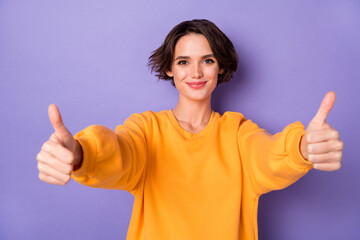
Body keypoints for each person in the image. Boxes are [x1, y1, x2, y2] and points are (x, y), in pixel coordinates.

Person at [36, 19, 343, 240]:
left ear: (220, 67)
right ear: (170, 68)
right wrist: (78, 152)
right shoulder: (147, 129)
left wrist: (304, 147)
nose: (195, 72)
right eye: (183, 62)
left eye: (207, 60)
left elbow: (269, 156)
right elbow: (117, 152)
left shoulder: (237, 132)